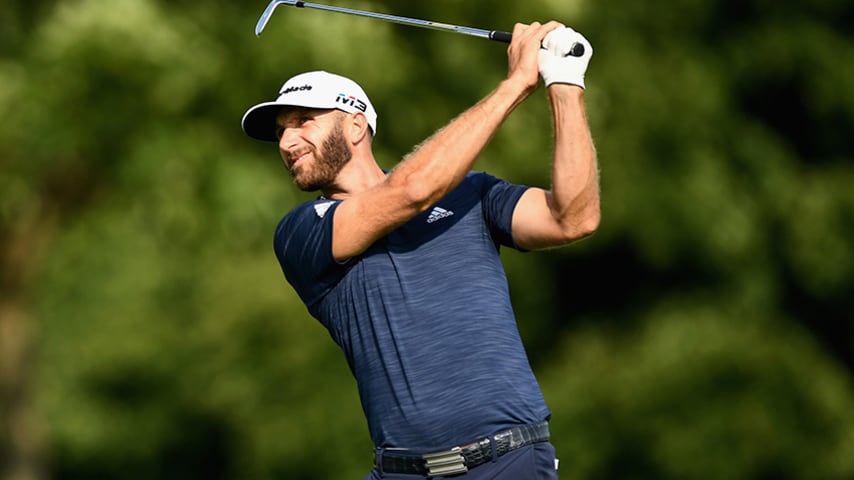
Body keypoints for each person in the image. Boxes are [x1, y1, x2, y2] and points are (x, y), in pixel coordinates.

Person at [242, 21, 598, 479]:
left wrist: (565, 85)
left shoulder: (472, 193)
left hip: (507, 462)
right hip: (401, 471)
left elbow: (574, 218)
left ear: (355, 125)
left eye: (303, 121)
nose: (287, 143)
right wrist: (514, 86)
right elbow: (410, 192)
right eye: (279, 132)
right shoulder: (301, 232)